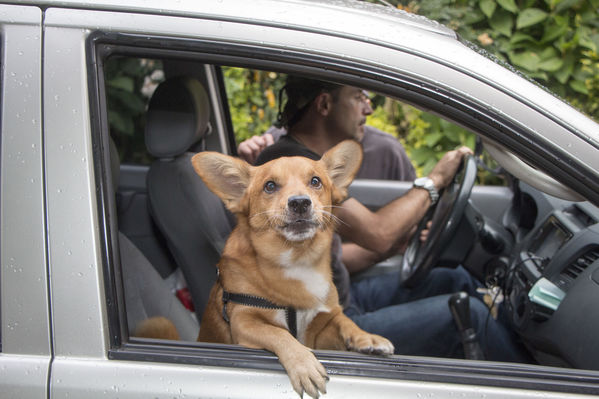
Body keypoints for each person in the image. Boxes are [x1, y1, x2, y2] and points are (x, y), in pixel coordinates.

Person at [251, 76, 530, 362]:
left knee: (455, 277)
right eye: (359, 97)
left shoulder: (307, 162)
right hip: (326, 325)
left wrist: (396, 247)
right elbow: (379, 233)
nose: (368, 109)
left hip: (342, 297)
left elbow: (340, 256)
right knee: (470, 315)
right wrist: (434, 182)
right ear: (324, 104)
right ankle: (541, 382)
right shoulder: (288, 166)